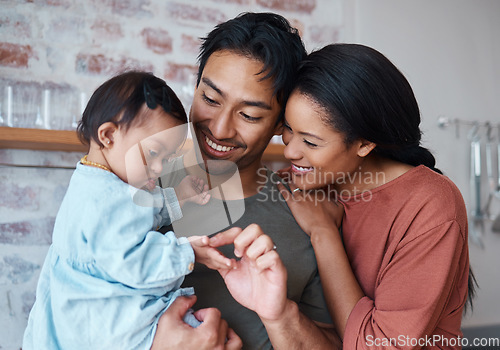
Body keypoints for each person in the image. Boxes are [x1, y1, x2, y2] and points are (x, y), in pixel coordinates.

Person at [157, 12, 341, 349]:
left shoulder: (303, 212)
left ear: (279, 124)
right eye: (210, 99)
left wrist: (280, 315)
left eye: (249, 115)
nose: (220, 129)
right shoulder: (133, 185)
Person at [22, 71, 243, 349]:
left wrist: (179, 197)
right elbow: (132, 260)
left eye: (167, 158)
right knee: (204, 331)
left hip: (83, 316)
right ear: (108, 135)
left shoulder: (99, 183)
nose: (160, 168)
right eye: (154, 154)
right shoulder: (105, 200)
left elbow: (141, 213)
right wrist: (188, 252)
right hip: (107, 321)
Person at [275, 43, 474, 349]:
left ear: (365, 145)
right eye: (288, 128)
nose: (290, 150)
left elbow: (379, 345)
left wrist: (323, 232)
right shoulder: (307, 181)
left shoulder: (430, 204)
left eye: (311, 142)